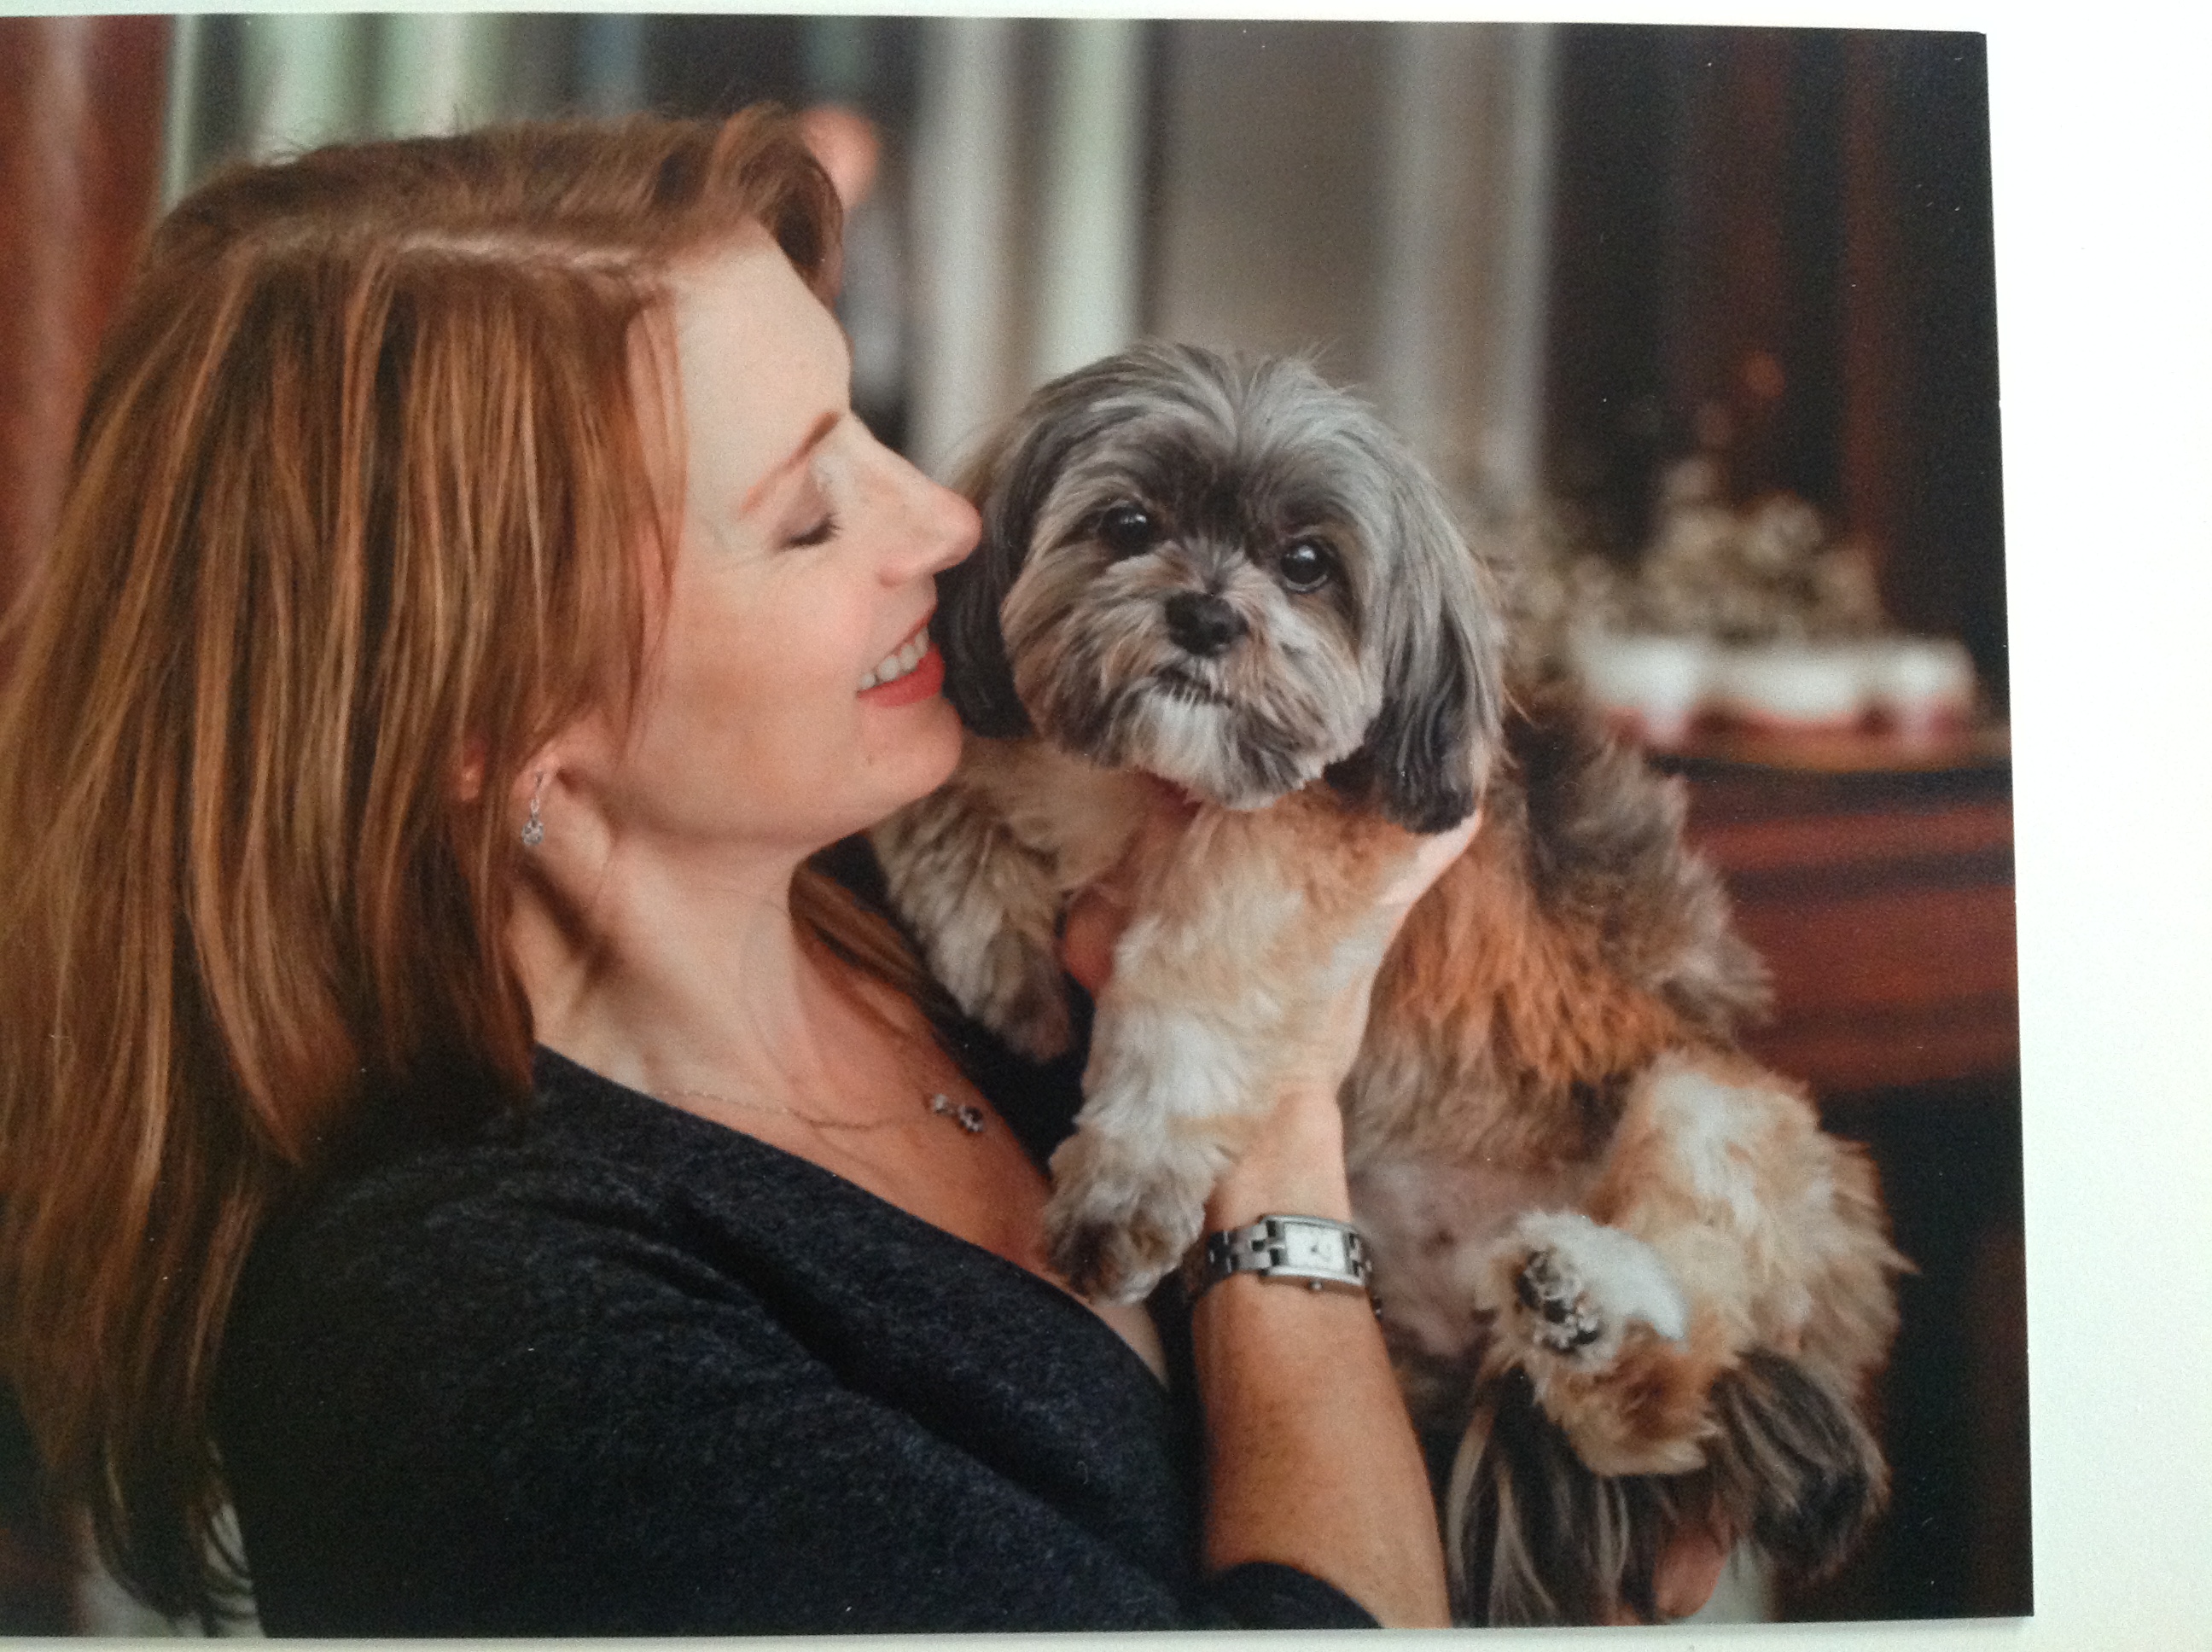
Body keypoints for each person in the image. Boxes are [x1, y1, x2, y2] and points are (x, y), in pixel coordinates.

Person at [0, 109, 1720, 1633]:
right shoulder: (489, 1335)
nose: (947, 521)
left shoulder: (942, 911)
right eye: (808, 513)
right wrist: (1274, 1122)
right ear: (496, 720)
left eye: (870, 426)